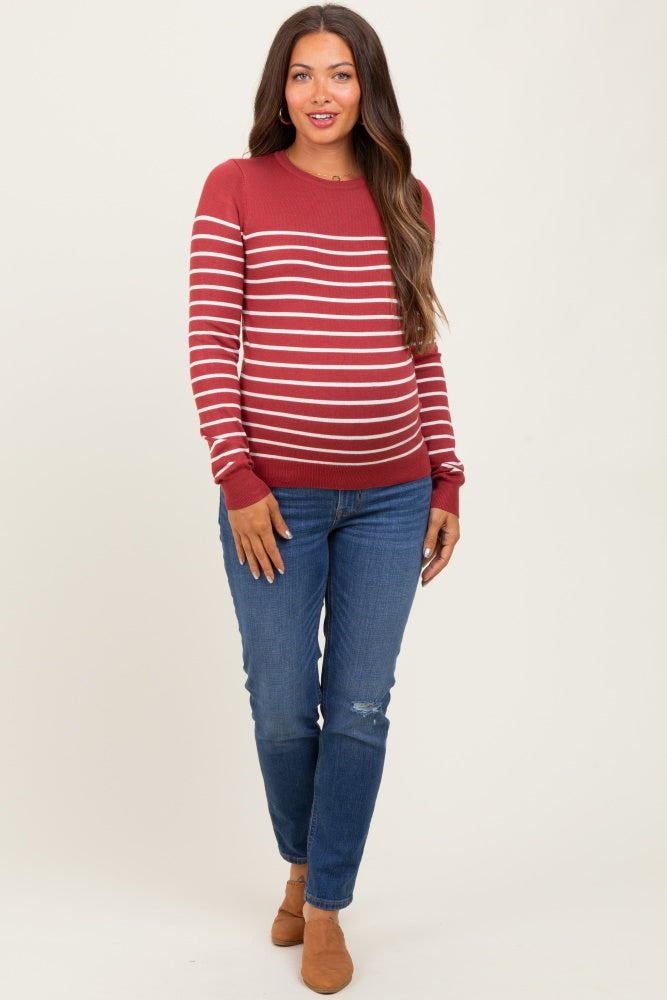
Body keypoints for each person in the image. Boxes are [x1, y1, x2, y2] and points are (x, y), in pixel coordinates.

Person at [188, 4, 464, 993]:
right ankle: (300, 863)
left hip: (393, 496)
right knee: (279, 705)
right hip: (275, 501)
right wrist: (237, 476)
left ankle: (325, 902)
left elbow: (419, 346)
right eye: (301, 74)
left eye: (339, 74)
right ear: (279, 89)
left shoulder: (405, 196)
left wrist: (446, 474)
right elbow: (210, 341)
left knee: (357, 705)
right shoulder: (235, 186)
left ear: (366, 87)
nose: (320, 93)